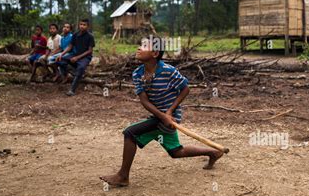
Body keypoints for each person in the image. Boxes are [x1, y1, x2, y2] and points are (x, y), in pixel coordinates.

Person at [100, 36, 223, 187]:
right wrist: (162, 115)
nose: (139, 48)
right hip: (159, 116)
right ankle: (213, 152)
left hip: (171, 117)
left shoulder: (168, 71)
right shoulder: (138, 74)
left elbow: (185, 89)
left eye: (144, 46)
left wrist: (170, 112)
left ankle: (123, 176)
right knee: (176, 151)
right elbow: (144, 100)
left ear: (155, 53)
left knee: (130, 132)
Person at [56, 19, 95, 96]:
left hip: (85, 57)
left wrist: (77, 57)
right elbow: (70, 46)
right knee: (59, 60)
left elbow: (89, 51)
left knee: (80, 68)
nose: (82, 26)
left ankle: (72, 90)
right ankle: (74, 73)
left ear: (88, 26)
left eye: (84, 25)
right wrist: (61, 54)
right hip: (75, 55)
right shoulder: (75, 34)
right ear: (78, 25)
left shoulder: (90, 36)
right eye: (81, 24)